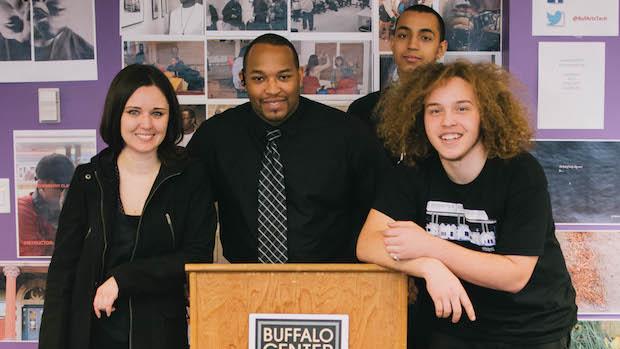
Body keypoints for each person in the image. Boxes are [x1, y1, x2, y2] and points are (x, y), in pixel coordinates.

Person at [356, 61, 577, 349]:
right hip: (451, 326)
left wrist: (430, 246)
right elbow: (368, 244)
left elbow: (513, 275)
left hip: (531, 328)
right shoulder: (413, 170)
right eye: (435, 110)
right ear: (418, 117)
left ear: (485, 113)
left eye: (462, 108)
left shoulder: (521, 172)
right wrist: (428, 267)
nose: (447, 121)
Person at [38, 64, 216, 349]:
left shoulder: (190, 177)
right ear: (116, 114)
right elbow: (62, 275)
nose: (146, 124)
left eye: (157, 113)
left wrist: (123, 279)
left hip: (160, 336)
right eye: (134, 112)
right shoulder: (88, 178)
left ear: (170, 119)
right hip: (90, 335)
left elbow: (196, 257)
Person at [187, 33, 387, 263]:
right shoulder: (215, 135)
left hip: (332, 283)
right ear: (243, 79)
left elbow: (383, 204)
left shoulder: (347, 133)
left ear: (300, 74)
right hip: (244, 284)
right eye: (259, 79)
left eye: (283, 77)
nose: (272, 89)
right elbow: (186, 201)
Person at [348, 4, 447, 163]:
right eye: (403, 36)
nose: (412, 45)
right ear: (392, 42)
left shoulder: (456, 111)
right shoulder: (363, 110)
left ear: (441, 49)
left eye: (425, 38)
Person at [18, 154, 75, 257]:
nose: (65, 194)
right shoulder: (23, 209)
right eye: (60, 188)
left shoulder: (74, 207)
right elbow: (36, 255)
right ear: (42, 183)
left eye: (68, 188)